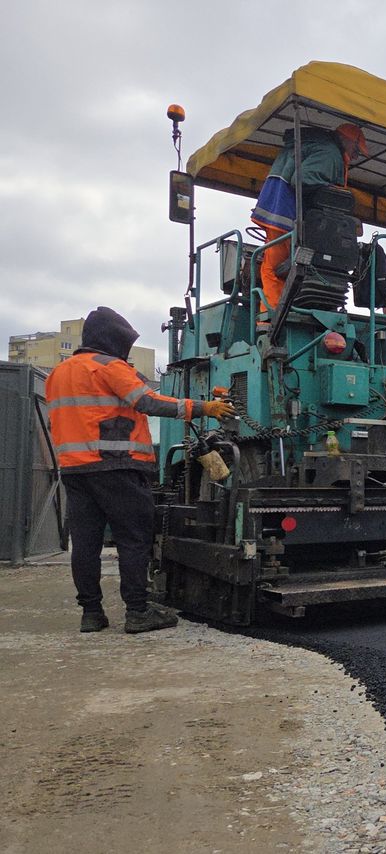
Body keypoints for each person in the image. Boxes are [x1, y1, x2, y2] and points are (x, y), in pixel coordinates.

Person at [46, 307, 235, 633]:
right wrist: (203, 407)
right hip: (116, 467)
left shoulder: (58, 374)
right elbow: (147, 402)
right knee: (133, 539)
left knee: (86, 544)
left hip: (75, 471)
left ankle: (91, 613)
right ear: (113, 340)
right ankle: (137, 611)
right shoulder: (109, 367)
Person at [250, 122, 368, 317]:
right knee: (274, 269)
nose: (356, 156)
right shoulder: (330, 154)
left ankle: (285, 312)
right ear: (346, 140)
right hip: (284, 213)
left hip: (285, 213)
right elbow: (303, 179)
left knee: (283, 266)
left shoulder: (322, 148)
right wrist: (334, 205)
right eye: (356, 149)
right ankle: (270, 320)